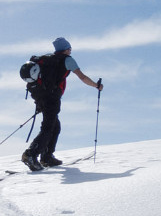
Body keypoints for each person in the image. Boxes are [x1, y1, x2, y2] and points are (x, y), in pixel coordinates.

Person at [21, 37, 103, 171]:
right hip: (51, 97)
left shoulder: (46, 59)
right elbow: (82, 77)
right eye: (70, 48)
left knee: (55, 126)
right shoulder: (67, 60)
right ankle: (31, 154)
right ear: (66, 49)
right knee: (48, 127)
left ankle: (47, 157)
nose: (70, 51)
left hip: (39, 96)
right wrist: (96, 86)